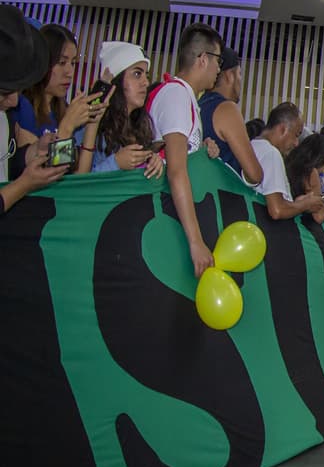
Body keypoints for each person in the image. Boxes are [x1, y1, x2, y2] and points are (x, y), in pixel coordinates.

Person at [149, 23, 223, 277]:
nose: (219, 69)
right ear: (203, 59)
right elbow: (176, 172)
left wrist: (200, 152)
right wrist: (195, 241)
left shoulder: (187, 98)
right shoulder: (177, 96)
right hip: (165, 217)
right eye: (218, 61)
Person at [0, 7, 68, 216]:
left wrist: (33, 152)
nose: (13, 102)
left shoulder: (6, 116)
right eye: (4, 93)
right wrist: (23, 186)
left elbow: (6, 162)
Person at [15, 24, 107, 150]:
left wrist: (91, 123)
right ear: (43, 61)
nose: (70, 72)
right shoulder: (21, 107)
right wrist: (67, 127)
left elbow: (78, 169)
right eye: (62, 62)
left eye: (73, 63)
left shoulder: (63, 110)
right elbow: (47, 167)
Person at [79, 42, 163, 178]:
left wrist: (153, 162)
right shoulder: (89, 129)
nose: (146, 83)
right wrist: (115, 163)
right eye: (137, 74)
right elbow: (78, 187)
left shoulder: (141, 128)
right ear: (117, 80)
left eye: (146, 76)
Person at [198, 46, 262, 184]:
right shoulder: (227, 109)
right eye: (239, 74)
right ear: (230, 75)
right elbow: (255, 174)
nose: (240, 80)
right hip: (221, 198)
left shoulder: (199, 105)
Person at [250, 103, 322, 221]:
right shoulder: (271, 154)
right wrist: (304, 205)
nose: (296, 143)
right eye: (296, 135)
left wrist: (296, 203)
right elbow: (277, 210)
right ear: (282, 129)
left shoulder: (253, 145)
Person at [285, 131, 324, 222]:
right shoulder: (311, 173)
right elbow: (318, 217)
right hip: (302, 226)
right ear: (322, 159)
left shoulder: (287, 164)